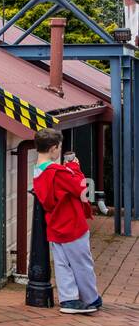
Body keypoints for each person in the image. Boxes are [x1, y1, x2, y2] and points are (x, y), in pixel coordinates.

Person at [31, 127, 101, 314]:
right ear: (53, 148)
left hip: (54, 223)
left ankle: (68, 298)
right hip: (71, 223)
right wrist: (74, 167)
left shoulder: (37, 171)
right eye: (59, 147)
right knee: (82, 262)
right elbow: (80, 188)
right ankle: (91, 298)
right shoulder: (58, 172)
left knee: (62, 263)